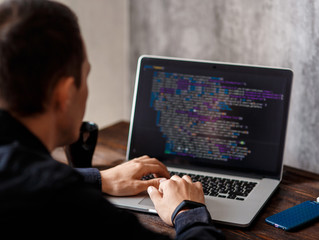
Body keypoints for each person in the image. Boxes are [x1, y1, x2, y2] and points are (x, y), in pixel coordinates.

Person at [0, 0, 225, 239]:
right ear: (64, 94)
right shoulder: (68, 205)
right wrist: (188, 211)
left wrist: (99, 179)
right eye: (86, 75)